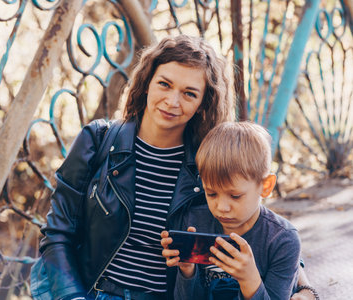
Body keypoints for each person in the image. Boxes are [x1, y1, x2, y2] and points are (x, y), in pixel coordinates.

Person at [30, 35, 315, 300]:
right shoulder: (98, 141)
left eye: (189, 93)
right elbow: (57, 232)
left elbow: (254, 219)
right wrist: (72, 296)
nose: (172, 101)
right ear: (147, 83)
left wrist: (302, 282)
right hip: (91, 290)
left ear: (203, 103)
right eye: (164, 84)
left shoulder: (207, 162)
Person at [161, 122, 319, 300]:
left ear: (265, 186)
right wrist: (187, 272)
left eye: (235, 196)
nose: (222, 207)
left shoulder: (282, 240)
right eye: (211, 193)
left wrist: (249, 280)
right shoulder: (194, 222)